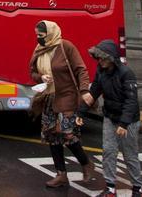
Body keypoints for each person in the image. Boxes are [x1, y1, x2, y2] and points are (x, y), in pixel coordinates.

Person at [29, 21, 97, 189]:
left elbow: (81, 69)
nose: (38, 39)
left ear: (51, 33)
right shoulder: (39, 49)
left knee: (67, 133)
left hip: (67, 96)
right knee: (52, 136)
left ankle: (86, 163)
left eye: (41, 35)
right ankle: (61, 175)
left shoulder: (65, 46)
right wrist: (41, 77)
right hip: (48, 98)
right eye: (37, 35)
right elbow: (32, 71)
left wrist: (84, 90)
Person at [80, 40, 142, 197]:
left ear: (111, 58)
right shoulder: (101, 71)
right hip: (110, 116)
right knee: (108, 151)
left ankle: (137, 188)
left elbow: (131, 101)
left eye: (103, 58)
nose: (100, 61)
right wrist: (80, 113)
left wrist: (124, 124)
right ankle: (110, 188)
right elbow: (94, 92)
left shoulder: (126, 73)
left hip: (129, 121)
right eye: (98, 58)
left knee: (130, 155)